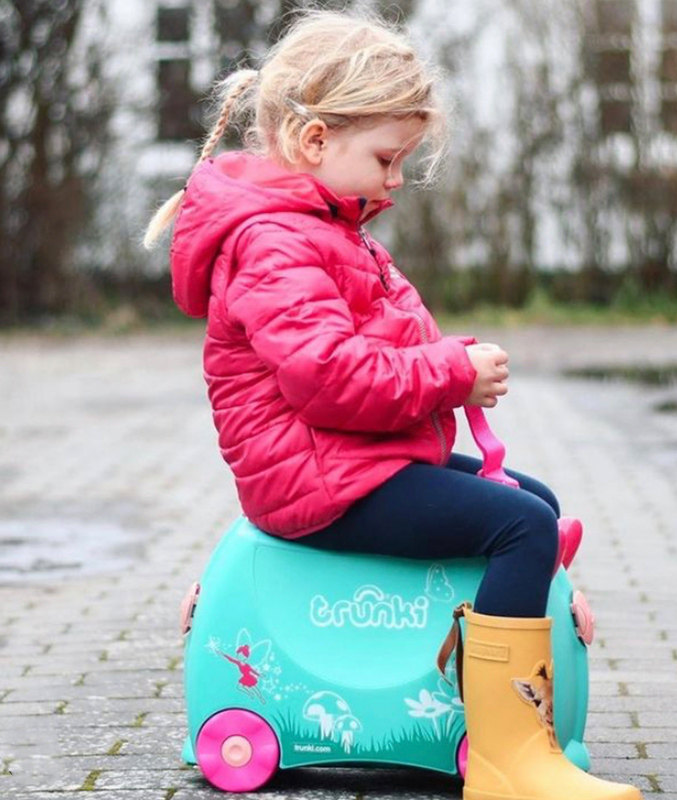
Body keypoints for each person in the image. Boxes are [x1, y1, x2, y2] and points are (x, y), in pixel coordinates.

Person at [144, 10, 640, 800]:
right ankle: (509, 754)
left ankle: (522, 623)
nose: (396, 179)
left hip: (354, 462)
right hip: (322, 481)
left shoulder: (324, 229)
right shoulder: (276, 242)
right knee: (521, 525)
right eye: (386, 158)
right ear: (316, 141)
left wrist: (448, 365)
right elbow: (327, 377)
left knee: (534, 502)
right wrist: (449, 374)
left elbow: (372, 347)